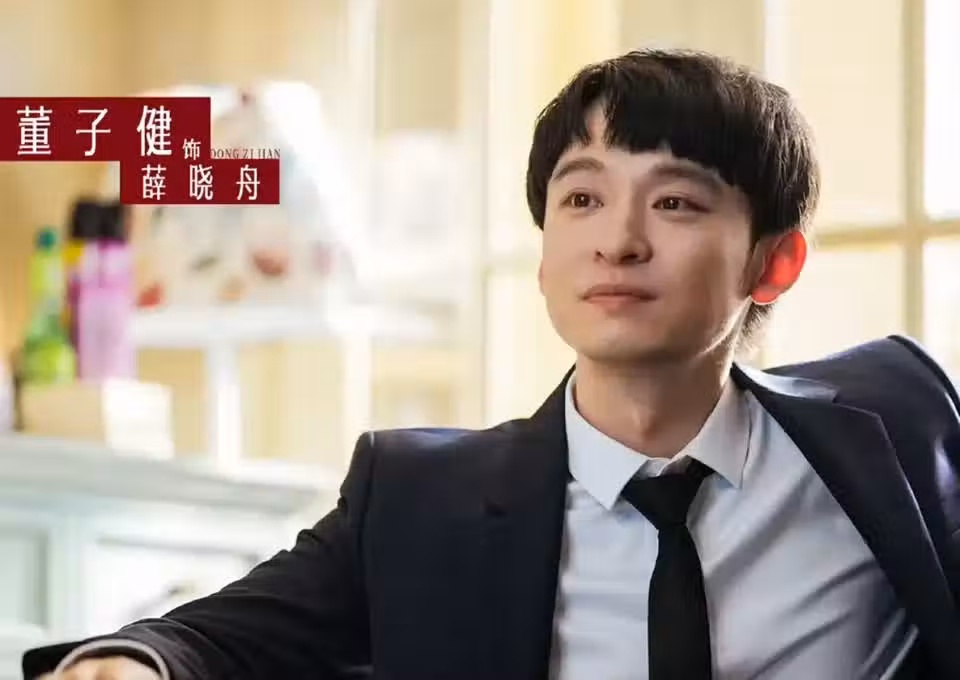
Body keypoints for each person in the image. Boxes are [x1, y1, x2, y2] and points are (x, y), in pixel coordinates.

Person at [24, 48, 960, 680]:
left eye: (675, 203)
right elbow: (203, 639)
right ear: (546, 254)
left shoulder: (896, 426)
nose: (618, 241)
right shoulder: (417, 496)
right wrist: (128, 663)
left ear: (773, 263)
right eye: (582, 200)